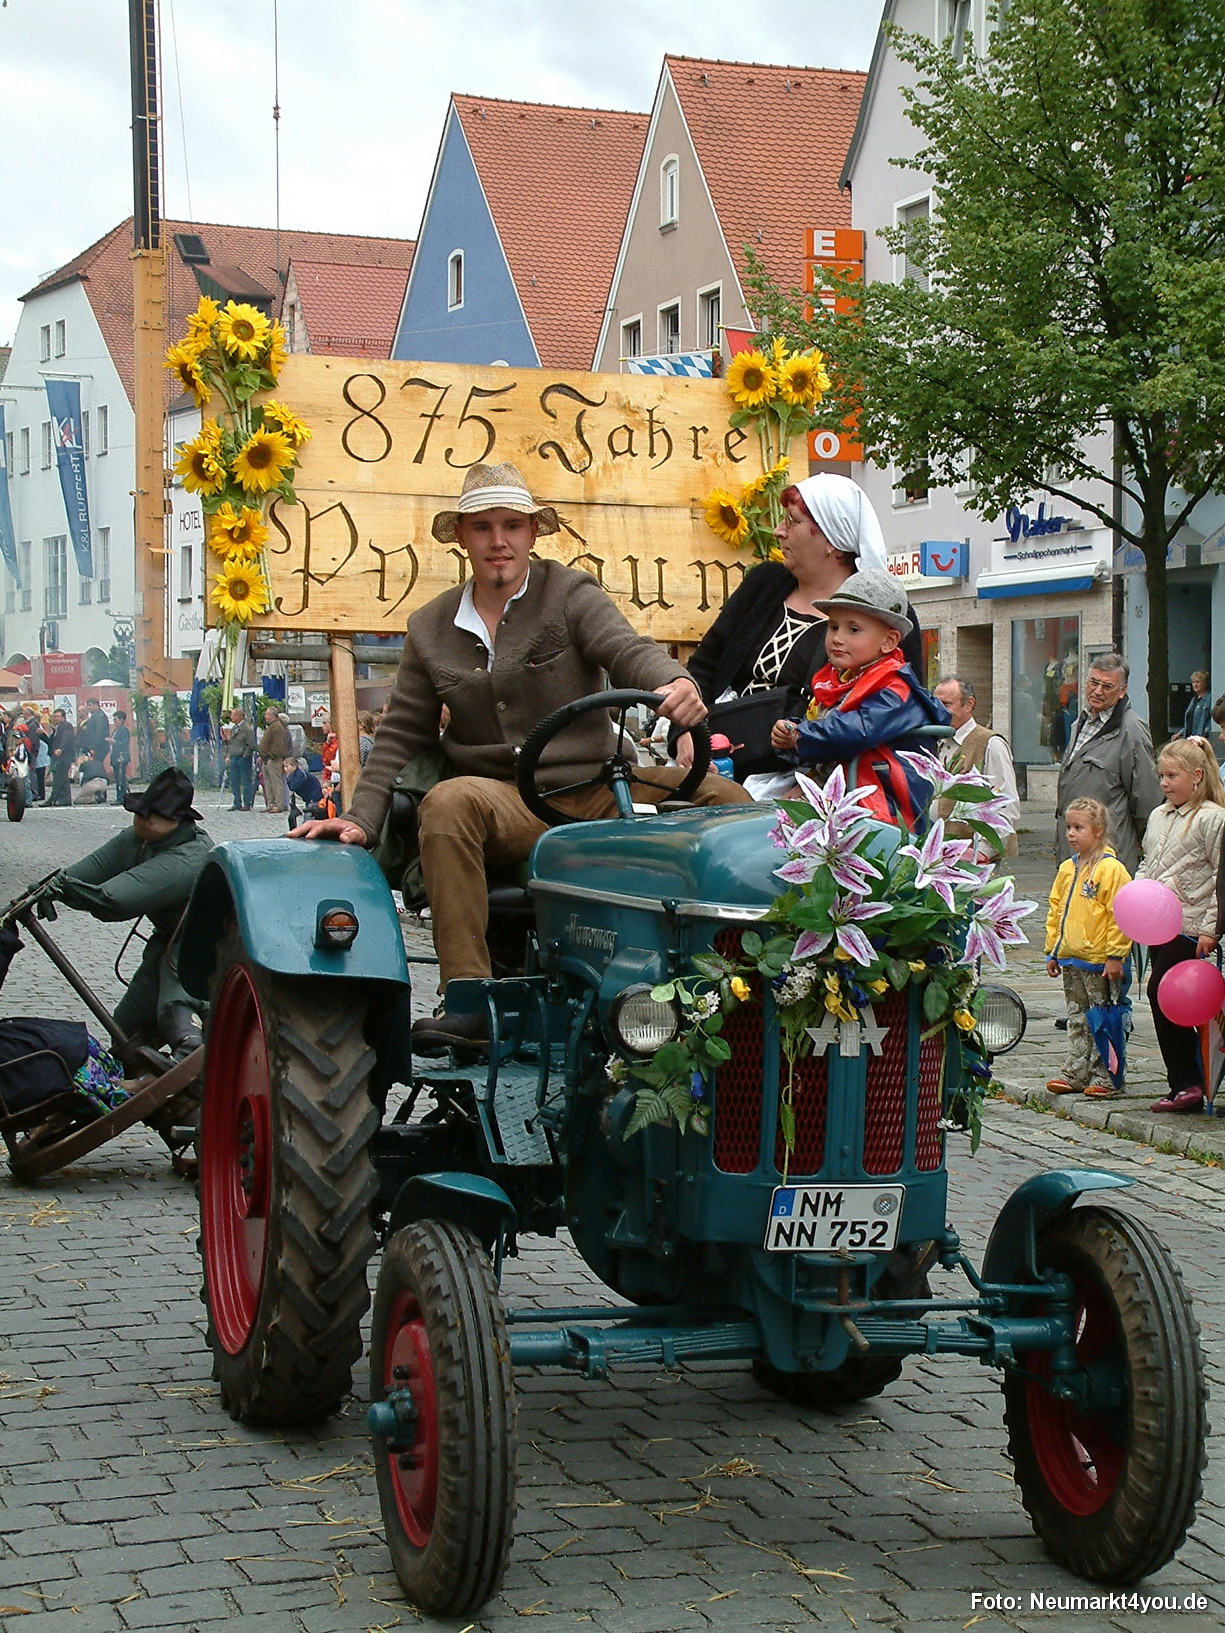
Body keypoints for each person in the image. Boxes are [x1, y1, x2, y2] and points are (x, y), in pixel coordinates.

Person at [290, 459, 750, 1052]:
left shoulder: (570, 594)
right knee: (449, 801)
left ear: (534, 532)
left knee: (729, 801)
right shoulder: (430, 628)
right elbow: (401, 734)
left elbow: (625, 647)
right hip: (509, 801)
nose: (498, 541)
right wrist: (359, 819)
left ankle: (737, 982)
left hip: (602, 789)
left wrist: (670, 683)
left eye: (512, 524)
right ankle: (469, 998)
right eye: (482, 527)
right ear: (461, 536)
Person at [676, 474, 923, 778]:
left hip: (808, 782)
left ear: (831, 540)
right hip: (718, 762)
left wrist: (816, 782)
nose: (779, 531)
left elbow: (897, 720)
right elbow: (703, 668)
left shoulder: (885, 614)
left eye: (791, 521)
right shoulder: (764, 585)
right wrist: (686, 732)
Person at [39, 768, 214, 1056]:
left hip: (201, 947)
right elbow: (89, 870)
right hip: (167, 941)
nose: (139, 819)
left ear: (167, 820)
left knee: (177, 1011)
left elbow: (117, 900)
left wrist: (67, 889)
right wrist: (52, 886)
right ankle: (135, 1081)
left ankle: (191, 1069)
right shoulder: (138, 838)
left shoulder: (192, 855)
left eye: (146, 814)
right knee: (126, 1028)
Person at [769, 569, 949, 828]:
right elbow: (826, 725)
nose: (838, 638)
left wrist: (802, 735)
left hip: (885, 810)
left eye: (853, 629)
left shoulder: (895, 690)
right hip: (841, 790)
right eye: (833, 627)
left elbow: (856, 731)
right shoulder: (836, 682)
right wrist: (789, 734)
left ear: (889, 641)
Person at [1135, 737, 1225, 1115]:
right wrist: (1136, 896)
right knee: (1167, 1001)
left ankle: (1188, 1080)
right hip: (1159, 924)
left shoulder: (1212, 818)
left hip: (1191, 926)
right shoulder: (1158, 816)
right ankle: (1187, 1080)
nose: (1166, 783)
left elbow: (1221, 877)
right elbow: (1148, 863)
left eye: (1173, 775)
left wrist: (1211, 929)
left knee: (1164, 992)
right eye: (1161, 776)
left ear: (1198, 776)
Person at [1043, 797, 1133, 1099]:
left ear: (1098, 830)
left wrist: (1115, 955)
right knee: (1077, 1017)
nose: (1071, 833)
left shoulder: (1111, 870)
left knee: (1104, 1018)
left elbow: (1120, 914)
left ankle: (1107, 1073)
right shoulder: (1067, 870)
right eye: (1068, 826)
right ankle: (1076, 1069)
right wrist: (1053, 950)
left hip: (1100, 962)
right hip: (1072, 958)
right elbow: (1056, 910)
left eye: (1078, 827)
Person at [1055, 653, 1161, 876]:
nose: (1098, 691)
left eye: (1107, 686)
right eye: (1094, 682)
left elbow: (1146, 799)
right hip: (1074, 850)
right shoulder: (1080, 722)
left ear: (1122, 690)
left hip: (1109, 853)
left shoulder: (1131, 731)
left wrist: (1146, 846)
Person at [933, 675, 1021, 858]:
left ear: (969, 704)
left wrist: (982, 853)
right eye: (936, 704)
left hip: (974, 862)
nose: (938, 711)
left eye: (947, 704)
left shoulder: (990, 744)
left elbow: (1005, 806)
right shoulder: (935, 741)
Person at [258, 708, 292, 813]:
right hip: (267, 759)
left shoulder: (277, 727)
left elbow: (278, 745)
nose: (265, 717)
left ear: (273, 715)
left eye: (267, 714)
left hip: (273, 759)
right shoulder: (272, 726)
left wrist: (270, 755)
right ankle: (271, 803)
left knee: (276, 783)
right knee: (268, 783)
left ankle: (279, 804)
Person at [224, 706, 256, 811]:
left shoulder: (247, 728)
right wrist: (229, 755)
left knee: (246, 781)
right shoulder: (234, 728)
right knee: (234, 780)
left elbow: (251, 744)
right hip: (234, 757)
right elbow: (232, 744)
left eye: (233, 715)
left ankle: (247, 803)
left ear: (238, 716)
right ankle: (237, 802)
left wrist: (245, 755)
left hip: (243, 758)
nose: (231, 717)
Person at [47, 708, 76, 806]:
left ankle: (57, 798)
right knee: (60, 778)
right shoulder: (57, 727)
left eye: (58, 716)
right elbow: (52, 741)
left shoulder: (66, 726)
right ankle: (61, 798)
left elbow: (66, 738)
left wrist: (61, 749)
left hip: (64, 756)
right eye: (54, 716)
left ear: (63, 717)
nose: (56, 718)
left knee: (61, 778)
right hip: (56, 755)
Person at [1179, 671, 1213, 740]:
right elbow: (1189, 722)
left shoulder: (1209, 699)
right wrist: (1180, 733)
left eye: (1198, 682)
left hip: (1201, 739)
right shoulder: (1193, 700)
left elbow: (1211, 720)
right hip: (1189, 738)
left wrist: (1205, 733)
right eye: (1193, 682)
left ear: (1205, 683)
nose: (1195, 685)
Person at [107, 710, 131, 806]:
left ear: (121, 720)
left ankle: (121, 797)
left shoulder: (124, 730)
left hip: (121, 757)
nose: (114, 722)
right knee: (118, 778)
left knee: (121, 779)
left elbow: (124, 744)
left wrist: (113, 742)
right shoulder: (115, 730)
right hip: (115, 757)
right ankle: (120, 796)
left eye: (116, 720)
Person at [77, 697, 110, 763]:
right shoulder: (94, 716)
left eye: (90, 705)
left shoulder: (100, 717)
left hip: (99, 748)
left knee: (96, 765)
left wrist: (94, 748)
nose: (88, 707)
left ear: (96, 705)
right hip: (94, 747)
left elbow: (99, 733)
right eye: (88, 705)